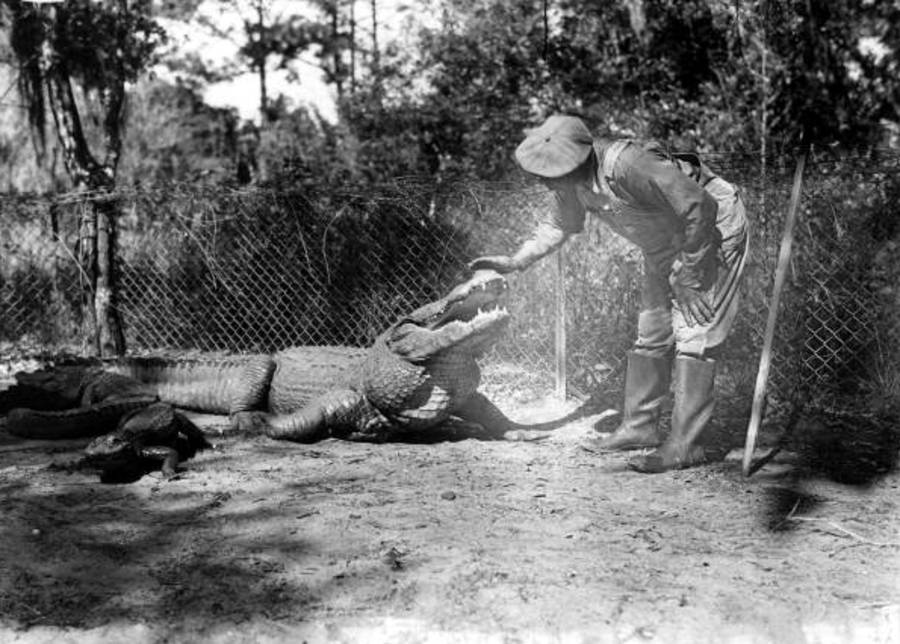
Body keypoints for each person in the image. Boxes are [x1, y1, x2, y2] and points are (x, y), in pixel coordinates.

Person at [469, 115, 749, 473]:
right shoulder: (570, 184)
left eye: (551, 173)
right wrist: (515, 261)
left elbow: (700, 206)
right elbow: (558, 225)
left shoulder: (630, 165)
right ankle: (640, 427)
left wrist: (691, 273)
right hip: (665, 240)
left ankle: (684, 445)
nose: (544, 181)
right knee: (652, 331)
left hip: (709, 231)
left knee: (696, 332)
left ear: (577, 162)